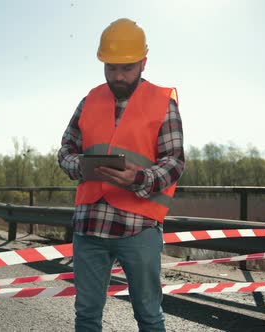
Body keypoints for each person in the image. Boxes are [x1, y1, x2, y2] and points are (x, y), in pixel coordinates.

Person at [58, 18, 185, 332]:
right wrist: (80, 165)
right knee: (86, 316)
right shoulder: (89, 100)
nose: (118, 76)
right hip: (90, 226)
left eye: (126, 68)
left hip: (138, 229)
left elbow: (174, 162)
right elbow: (65, 150)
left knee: (149, 316)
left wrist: (139, 179)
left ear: (143, 62)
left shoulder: (162, 103)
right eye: (111, 68)